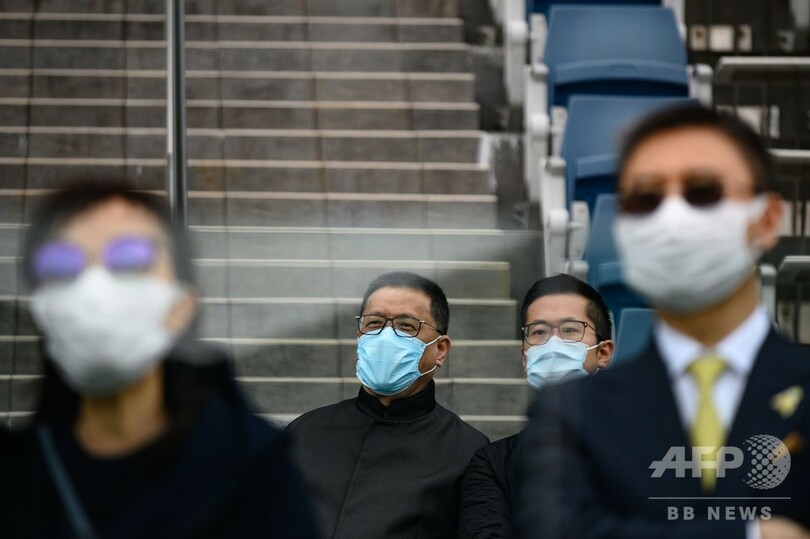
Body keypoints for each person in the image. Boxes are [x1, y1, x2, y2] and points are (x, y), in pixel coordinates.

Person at [514, 104, 810, 538]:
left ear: (766, 219)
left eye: (704, 191)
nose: (672, 218)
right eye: (645, 199)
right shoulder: (570, 411)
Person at [0, 180, 320, 538]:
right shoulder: (17, 476)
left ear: (182, 304)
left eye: (130, 260)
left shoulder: (250, 469)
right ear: (41, 306)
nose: (93, 290)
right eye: (61, 267)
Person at [285, 271, 489, 538]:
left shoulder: (468, 451)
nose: (386, 336)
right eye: (374, 322)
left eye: (406, 325)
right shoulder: (305, 432)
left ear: (440, 349)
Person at [458, 274, 614, 538]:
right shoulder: (492, 464)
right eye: (539, 332)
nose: (552, 344)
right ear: (524, 357)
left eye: (570, 330)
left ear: (603, 352)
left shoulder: (646, 450)